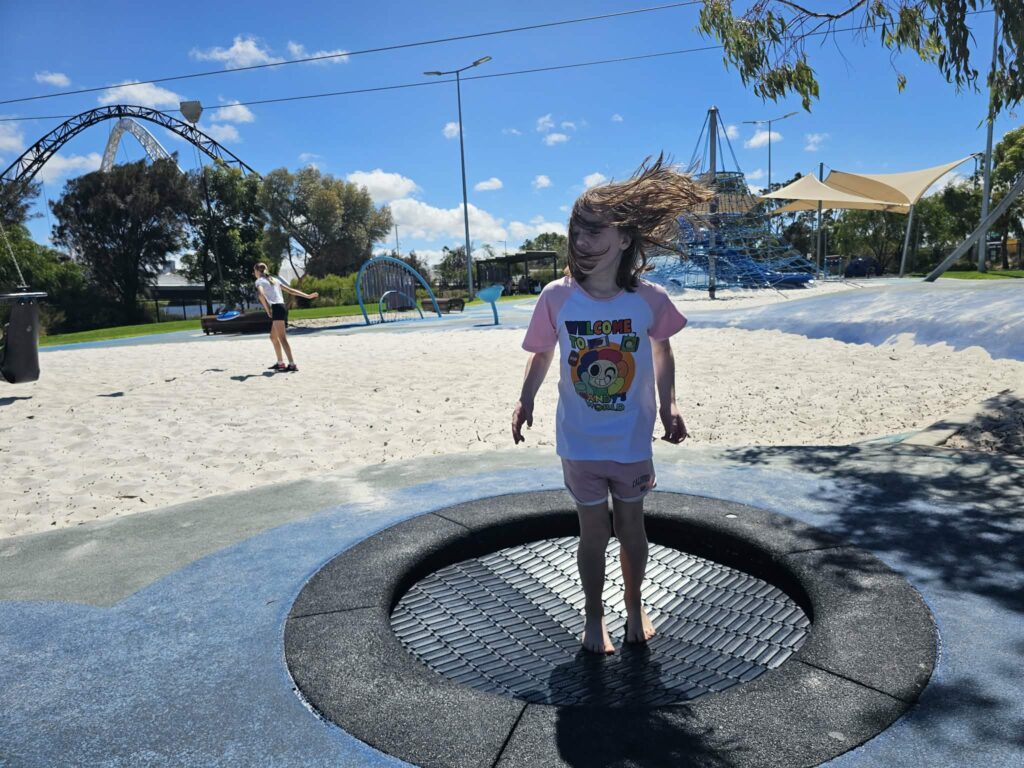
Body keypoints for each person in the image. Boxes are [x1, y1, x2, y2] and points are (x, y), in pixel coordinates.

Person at [511, 156, 711, 654]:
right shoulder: (556, 298)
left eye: (595, 230)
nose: (582, 240)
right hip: (579, 443)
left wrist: (669, 406)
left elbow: (662, 351)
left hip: (630, 440)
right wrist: (525, 399)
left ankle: (636, 605)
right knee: (593, 533)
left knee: (631, 527)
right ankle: (594, 615)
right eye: (577, 230)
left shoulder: (649, 299)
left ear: (624, 238)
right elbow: (542, 354)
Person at [253, 262, 318, 372]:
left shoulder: (259, 281)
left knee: (282, 338)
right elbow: (290, 290)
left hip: (276, 308)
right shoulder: (274, 280)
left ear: (257, 271)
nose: (254, 273)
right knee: (273, 337)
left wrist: (267, 309)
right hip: (281, 307)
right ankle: (280, 363)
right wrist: (307, 296)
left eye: (254, 271)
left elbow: (261, 295)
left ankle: (292, 364)